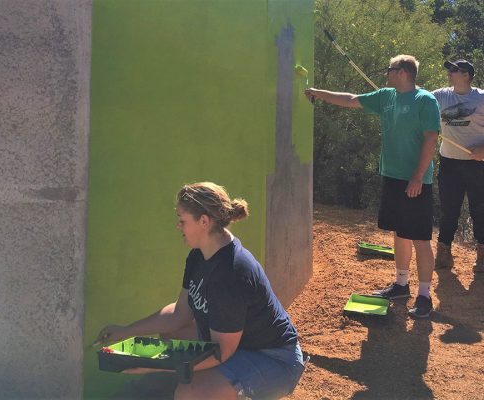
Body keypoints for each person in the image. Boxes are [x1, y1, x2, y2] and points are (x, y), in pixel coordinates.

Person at [95, 182, 305, 399]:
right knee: (171, 335)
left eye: (182, 220)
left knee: (190, 394)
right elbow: (178, 315)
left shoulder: (231, 274)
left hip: (273, 359)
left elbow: (222, 351)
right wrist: (126, 331)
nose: (179, 226)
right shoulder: (199, 255)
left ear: (203, 221)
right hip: (236, 343)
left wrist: (153, 366)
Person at [304, 55, 441, 318]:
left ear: (402, 72)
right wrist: (318, 93)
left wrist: (417, 176)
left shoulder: (425, 100)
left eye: (389, 70)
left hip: (415, 180)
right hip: (392, 177)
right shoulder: (386, 96)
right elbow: (351, 99)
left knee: (420, 238)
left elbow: (431, 139)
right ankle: (401, 285)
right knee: (400, 233)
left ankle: (424, 296)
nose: (386, 74)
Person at [431, 59, 484, 273]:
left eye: (453, 71)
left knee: (479, 209)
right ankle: (444, 254)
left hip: (477, 164)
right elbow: (419, 100)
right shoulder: (440, 95)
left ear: (466, 75)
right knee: (449, 210)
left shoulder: (481, 98)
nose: (449, 74)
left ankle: (482, 255)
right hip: (449, 163)